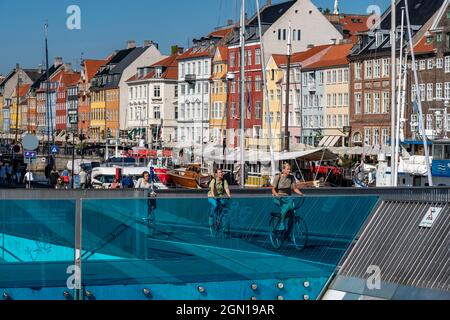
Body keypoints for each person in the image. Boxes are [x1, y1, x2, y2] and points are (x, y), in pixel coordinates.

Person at [272, 163, 304, 231]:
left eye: (290, 169)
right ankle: (281, 223)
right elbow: (273, 189)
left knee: (292, 213)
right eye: (287, 169)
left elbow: (294, 188)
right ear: (283, 170)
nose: (289, 171)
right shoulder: (278, 176)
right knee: (288, 206)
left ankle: (288, 232)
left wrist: (301, 194)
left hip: (287, 198)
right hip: (279, 198)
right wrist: (277, 195)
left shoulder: (292, 177)